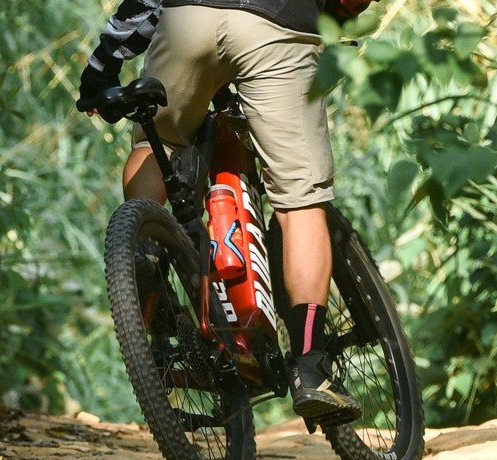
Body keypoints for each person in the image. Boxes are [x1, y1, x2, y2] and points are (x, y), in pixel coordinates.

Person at [77, 0, 376, 424]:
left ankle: (143, 245)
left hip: (188, 21)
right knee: (300, 202)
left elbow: (144, 4)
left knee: (156, 143)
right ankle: (310, 368)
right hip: (277, 28)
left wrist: (101, 69)